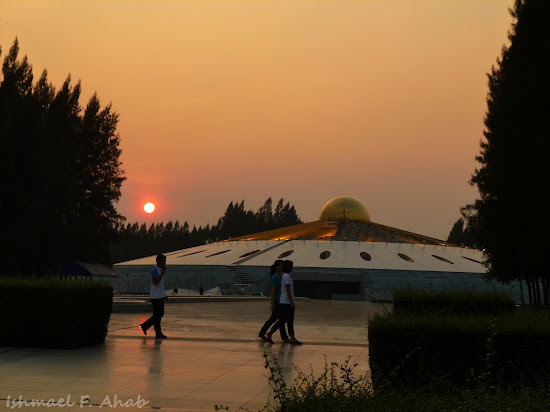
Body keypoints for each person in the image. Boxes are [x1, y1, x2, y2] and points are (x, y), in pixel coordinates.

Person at [258, 260, 289, 344]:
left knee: (278, 319)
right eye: (281, 266)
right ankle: (264, 333)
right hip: (277, 301)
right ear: (277, 267)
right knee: (279, 319)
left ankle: (284, 337)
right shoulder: (275, 277)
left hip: (280, 301)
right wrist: (272, 303)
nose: (282, 268)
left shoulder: (280, 276)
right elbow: (273, 291)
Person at [140, 254, 168, 339]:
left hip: (159, 296)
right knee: (158, 315)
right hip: (155, 297)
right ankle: (145, 326)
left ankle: (158, 333)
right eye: (163, 261)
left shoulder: (159, 270)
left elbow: (160, 286)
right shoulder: (154, 270)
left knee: (158, 315)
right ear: (159, 261)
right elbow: (155, 282)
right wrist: (162, 273)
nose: (165, 263)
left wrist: (163, 295)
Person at [278, 260, 303, 345]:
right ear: (289, 267)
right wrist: (292, 302)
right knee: (286, 320)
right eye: (291, 266)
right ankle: (272, 332)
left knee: (286, 320)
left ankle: (291, 337)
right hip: (286, 302)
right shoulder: (286, 277)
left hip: (285, 302)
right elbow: (288, 290)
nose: (292, 268)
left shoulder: (286, 276)